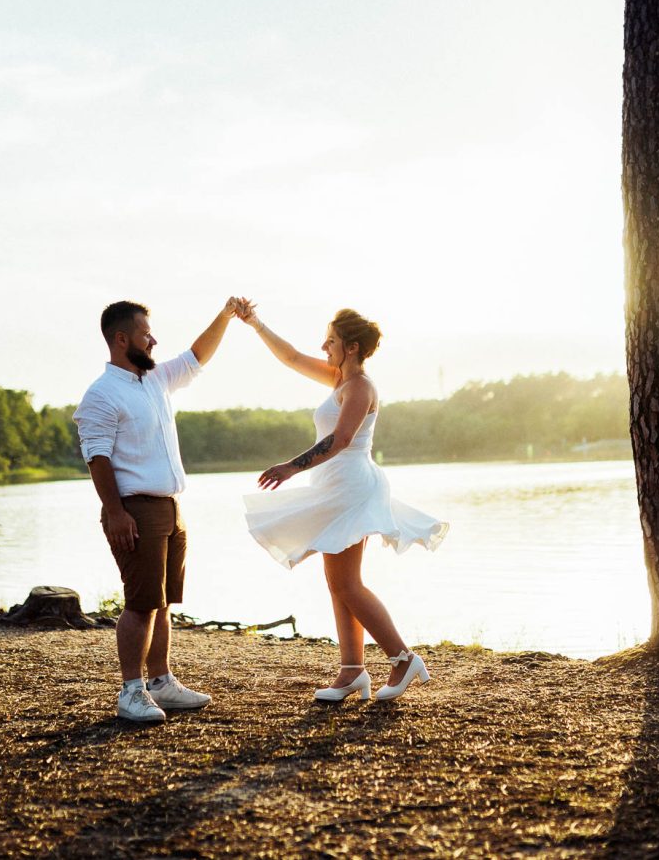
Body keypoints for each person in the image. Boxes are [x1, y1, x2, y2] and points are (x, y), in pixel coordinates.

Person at [237, 303, 448, 702]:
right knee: (339, 583)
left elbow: (342, 439)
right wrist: (256, 323)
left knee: (347, 583)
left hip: (352, 489)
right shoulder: (338, 379)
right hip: (334, 489)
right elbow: (292, 357)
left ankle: (403, 659)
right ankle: (352, 671)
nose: (323, 346)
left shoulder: (361, 388)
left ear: (351, 347)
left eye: (330, 341)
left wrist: (290, 467)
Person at [74, 298, 243, 722]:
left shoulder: (155, 380)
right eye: (146, 333)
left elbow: (198, 354)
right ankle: (131, 691)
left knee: (163, 602)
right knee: (140, 603)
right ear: (122, 338)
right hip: (134, 509)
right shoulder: (101, 394)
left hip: (170, 507)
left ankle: (161, 683)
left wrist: (223, 316)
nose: (153, 339)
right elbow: (97, 458)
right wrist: (115, 513)